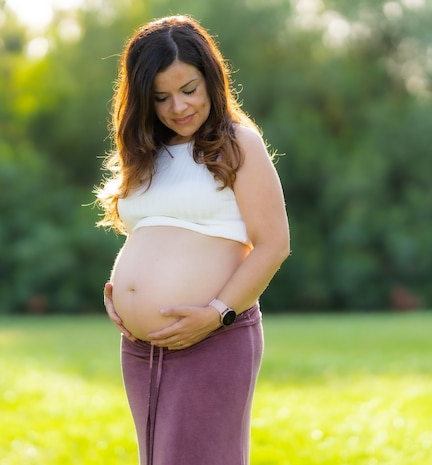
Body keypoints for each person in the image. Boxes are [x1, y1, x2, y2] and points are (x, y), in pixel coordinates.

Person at [95, 14, 290, 465]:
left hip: (212, 339)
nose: (178, 107)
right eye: (161, 97)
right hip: (141, 350)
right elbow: (151, 234)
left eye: (189, 90)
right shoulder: (146, 154)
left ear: (212, 80)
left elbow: (274, 244)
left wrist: (216, 315)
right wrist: (120, 295)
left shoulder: (237, 144)